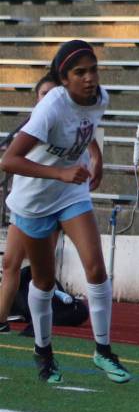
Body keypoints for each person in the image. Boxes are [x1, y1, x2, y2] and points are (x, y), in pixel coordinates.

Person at [0, 40, 131, 385]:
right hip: (35, 200)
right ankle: (44, 353)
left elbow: (84, 126)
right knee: (43, 280)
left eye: (93, 69)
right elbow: (9, 160)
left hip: (71, 191)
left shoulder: (100, 97)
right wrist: (59, 172)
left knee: (96, 267)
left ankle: (103, 351)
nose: (90, 78)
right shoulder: (50, 108)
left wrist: (96, 156)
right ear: (64, 78)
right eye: (80, 72)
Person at [1, 73, 62, 333]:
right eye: (43, 94)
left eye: (53, 94)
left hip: (53, 204)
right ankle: (1, 318)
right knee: (10, 263)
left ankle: (39, 325)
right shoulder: (31, 128)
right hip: (25, 204)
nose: (48, 99)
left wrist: (96, 159)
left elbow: (90, 140)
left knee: (42, 271)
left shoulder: (65, 126)